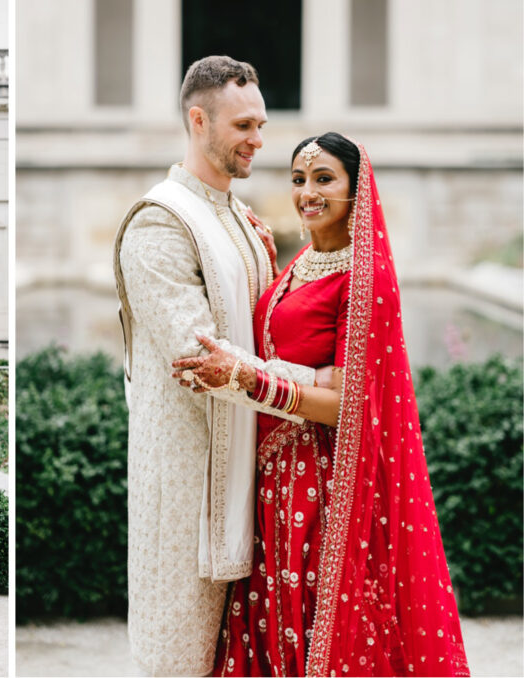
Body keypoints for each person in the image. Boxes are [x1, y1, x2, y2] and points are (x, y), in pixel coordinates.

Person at [174, 133, 470, 676]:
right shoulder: (306, 259)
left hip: (327, 482)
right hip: (275, 478)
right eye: (298, 179)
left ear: (358, 191)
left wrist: (244, 377)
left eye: (324, 179)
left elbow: (346, 407)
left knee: (316, 623)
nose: (307, 192)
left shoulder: (365, 277)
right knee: (277, 619)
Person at [113, 55, 326, 676]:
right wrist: (322, 389)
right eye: (242, 126)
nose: (259, 139)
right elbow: (204, 359)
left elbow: (269, 328)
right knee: (177, 660)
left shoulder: (235, 216)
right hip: (184, 487)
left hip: (248, 479)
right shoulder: (159, 223)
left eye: (260, 124)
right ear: (198, 119)